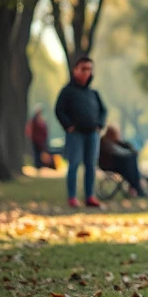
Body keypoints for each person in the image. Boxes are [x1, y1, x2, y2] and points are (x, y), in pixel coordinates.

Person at [54, 55, 107, 208]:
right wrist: (69, 126)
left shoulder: (93, 93)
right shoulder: (67, 91)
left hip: (92, 134)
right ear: (75, 70)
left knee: (91, 165)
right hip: (75, 134)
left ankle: (90, 196)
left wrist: (99, 125)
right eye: (83, 69)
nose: (86, 72)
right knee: (74, 164)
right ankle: (72, 197)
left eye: (89, 69)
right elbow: (59, 110)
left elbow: (103, 110)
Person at [99, 125, 145, 197]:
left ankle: (136, 186)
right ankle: (137, 186)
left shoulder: (115, 142)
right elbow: (119, 153)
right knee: (131, 163)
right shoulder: (106, 142)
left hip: (117, 164)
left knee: (131, 165)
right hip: (110, 165)